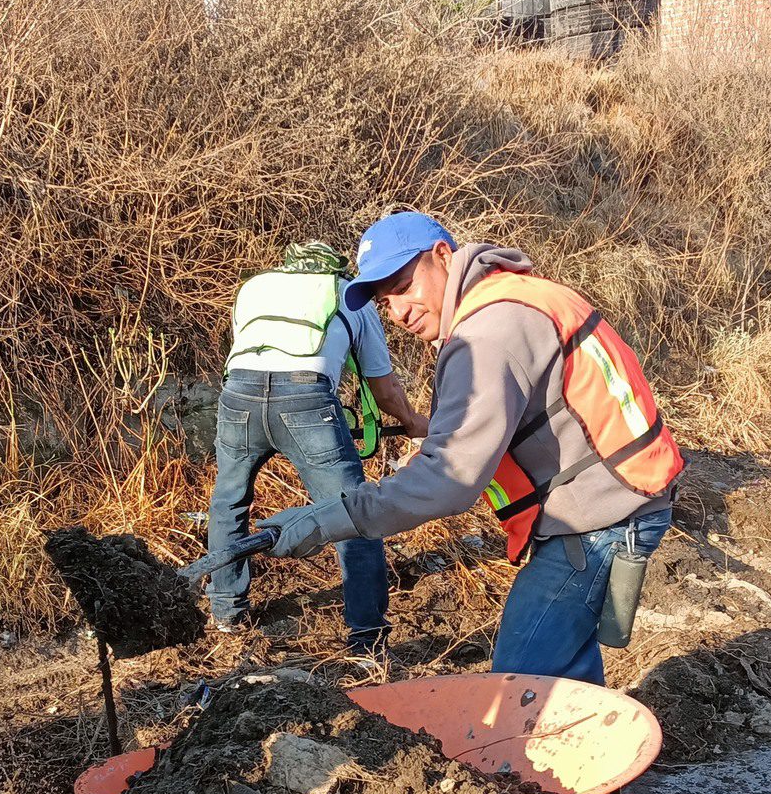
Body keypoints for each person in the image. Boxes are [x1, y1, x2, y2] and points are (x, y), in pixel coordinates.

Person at [255, 213, 682, 685]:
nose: (397, 311)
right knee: (562, 671)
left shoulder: (488, 332)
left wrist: (325, 521)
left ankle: (565, 754)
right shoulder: (512, 298)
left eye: (402, 285)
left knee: (523, 684)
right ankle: (596, 747)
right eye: (384, 301)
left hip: (603, 518)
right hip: (615, 499)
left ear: (443, 255)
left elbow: (450, 479)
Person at [206, 239, 428, 654]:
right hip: (306, 401)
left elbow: (253, 357)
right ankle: (367, 637)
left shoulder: (254, 286)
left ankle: (226, 613)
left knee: (228, 502)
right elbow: (383, 387)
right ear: (337, 270)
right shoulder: (347, 294)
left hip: (237, 398)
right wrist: (414, 423)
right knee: (354, 510)